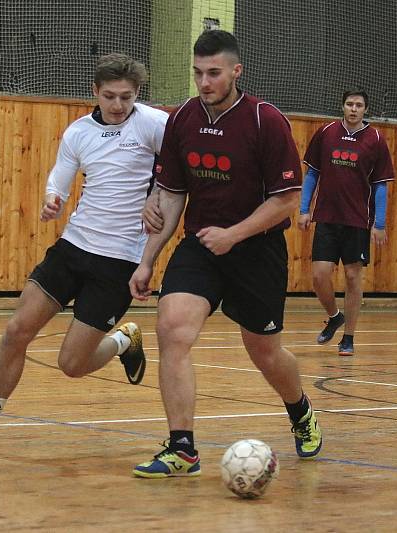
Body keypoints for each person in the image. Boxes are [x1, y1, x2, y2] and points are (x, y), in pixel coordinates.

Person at [0, 53, 168, 453]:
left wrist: (158, 198)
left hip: (119, 261)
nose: (117, 106)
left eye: (126, 98)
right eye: (110, 96)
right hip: (73, 247)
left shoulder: (155, 125)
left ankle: (122, 342)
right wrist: (53, 198)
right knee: (16, 331)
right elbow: (60, 177)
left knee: (71, 365)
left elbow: (180, 172)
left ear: (137, 94)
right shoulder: (78, 132)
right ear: (95, 91)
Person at [128, 30, 323, 478]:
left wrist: (234, 235)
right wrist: (147, 258)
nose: (204, 82)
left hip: (256, 251)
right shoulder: (181, 120)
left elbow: (286, 199)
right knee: (172, 329)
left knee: (265, 353)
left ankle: (300, 411)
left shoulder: (265, 120)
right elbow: (172, 196)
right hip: (201, 247)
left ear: (236, 71)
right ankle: (182, 449)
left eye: (213, 73)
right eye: (197, 73)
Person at [297, 90, 396, 357]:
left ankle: (348, 337)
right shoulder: (326, 133)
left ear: (365, 109)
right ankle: (334, 315)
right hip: (327, 217)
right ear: (342, 106)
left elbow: (380, 186)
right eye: (350, 104)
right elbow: (312, 174)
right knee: (319, 276)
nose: (354, 109)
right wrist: (304, 209)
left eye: (359, 105)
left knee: (353, 277)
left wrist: (380, 223)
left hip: (357, 221)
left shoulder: (375, 139)